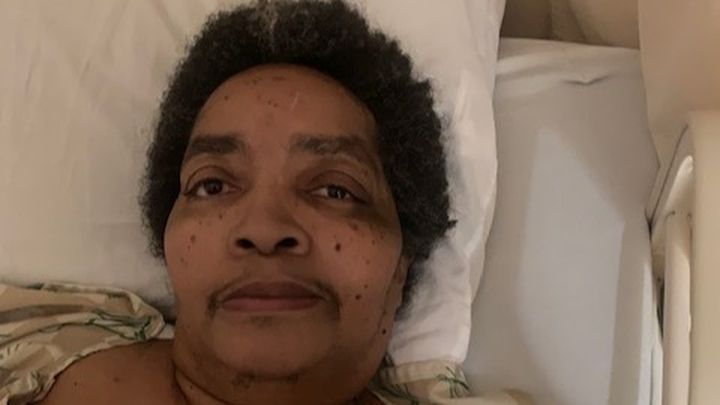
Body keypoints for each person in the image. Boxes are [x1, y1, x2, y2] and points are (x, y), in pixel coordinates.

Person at [1, 1, 529, 404]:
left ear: (401, 267)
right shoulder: (23, 346)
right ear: (170, 244)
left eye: (335, 190)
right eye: (212, 186)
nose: (265, 227)